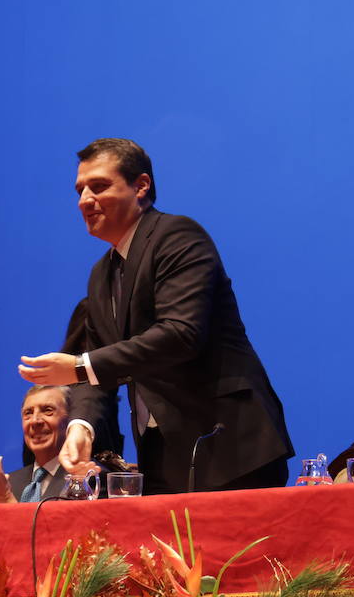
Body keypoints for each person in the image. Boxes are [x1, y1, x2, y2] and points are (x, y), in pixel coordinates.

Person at [17, 138, 293, 494]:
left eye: (98, 186)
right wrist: (81, 426)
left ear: (141, 186)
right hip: (162, 455)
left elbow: (180, 334)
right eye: (80, 190)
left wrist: (79, 366)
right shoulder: (101, 275)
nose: (85, 200)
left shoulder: (177, 237)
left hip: (229, 444)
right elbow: (97, 375)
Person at [0, 385, 72, 503]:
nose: (34, 420)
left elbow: (55, 522)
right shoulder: (9, 482)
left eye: (47, 410)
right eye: (28, 413)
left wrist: (6, 499)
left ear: (71, 419)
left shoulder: (85, 478)